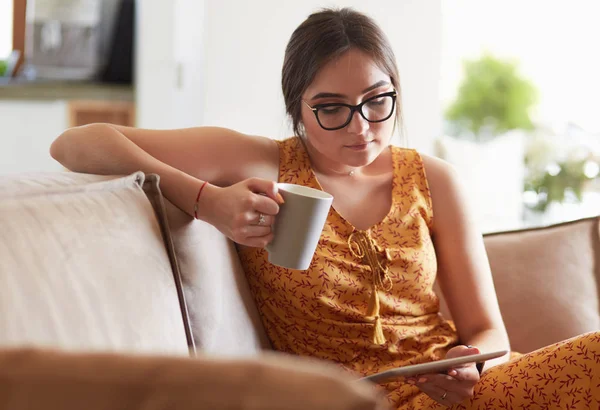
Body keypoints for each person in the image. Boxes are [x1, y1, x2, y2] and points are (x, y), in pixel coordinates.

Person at [50, 7, 600, 410]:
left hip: (459, 396)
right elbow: (77, 144)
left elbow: (489, 332)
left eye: (377, 101)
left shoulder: (434, 180)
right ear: (297, 110)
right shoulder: (261, 162)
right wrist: (207, 202)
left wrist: (471, 365)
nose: (361, 127)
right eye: (331, 108)